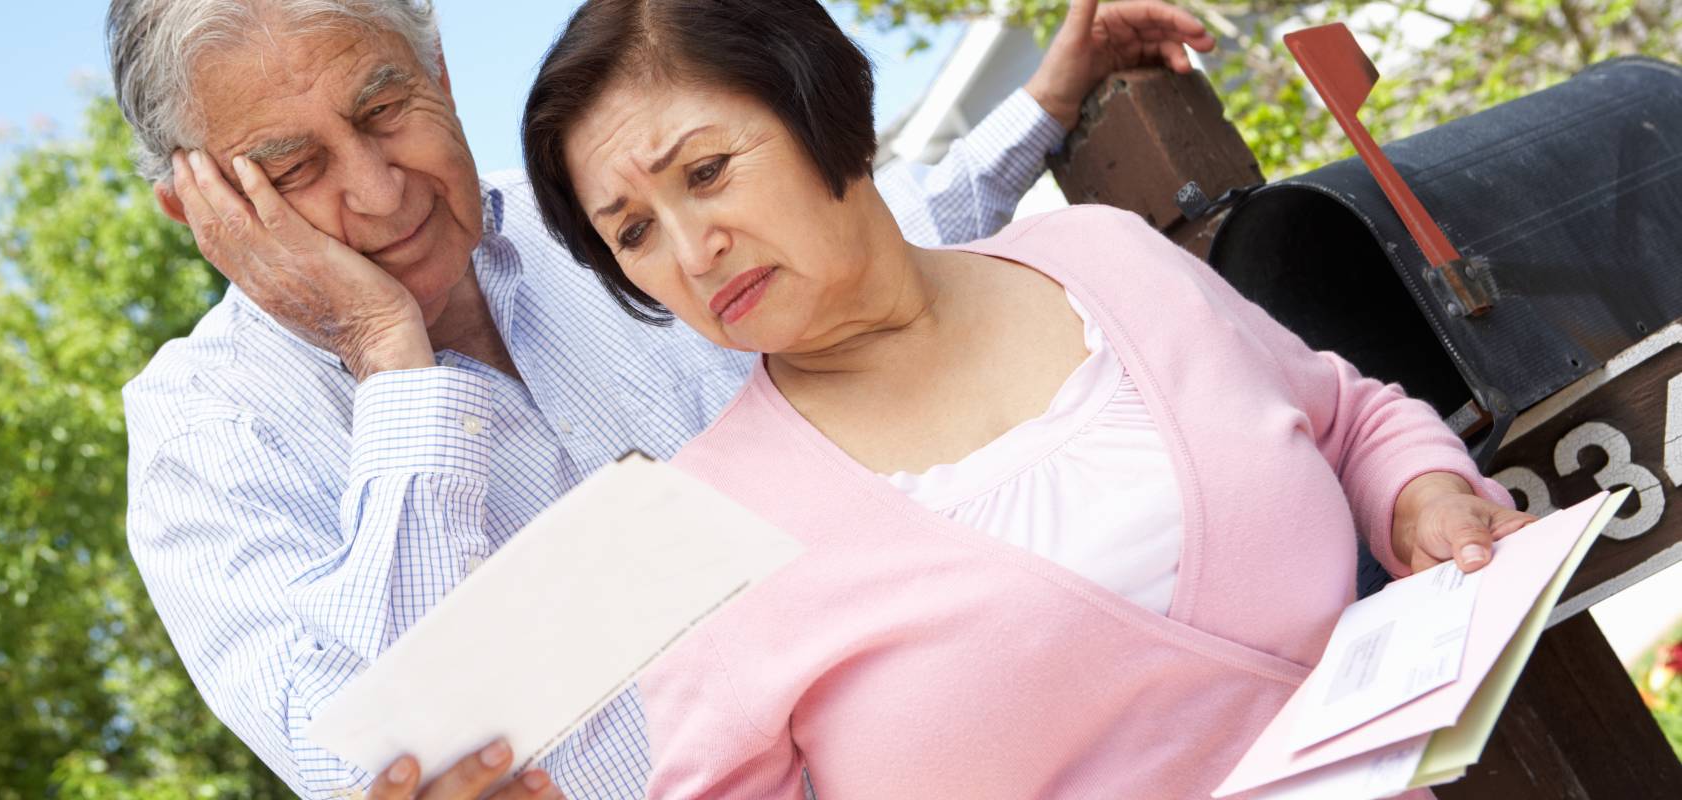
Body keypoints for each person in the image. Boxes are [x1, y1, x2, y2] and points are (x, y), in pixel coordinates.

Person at [107, 0, 1217, 796]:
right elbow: (368, 771)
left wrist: (1049, 95)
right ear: (197, 213)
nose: (378, 187)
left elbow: (870, 243)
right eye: (293, 169)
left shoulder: (601, 213)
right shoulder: (204, 435)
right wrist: (384, 355)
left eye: (386, 106)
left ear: (440, 76)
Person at [521, 0, 1536, 796]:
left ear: (826, 117)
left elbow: (1346, 413)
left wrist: (1422, 499)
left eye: (706, 171)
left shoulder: (1102, 256)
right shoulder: (704, 529)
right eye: (634, 234)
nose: (694, 253)